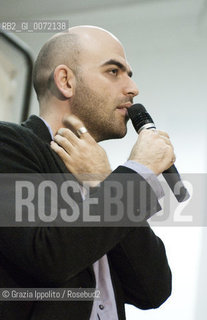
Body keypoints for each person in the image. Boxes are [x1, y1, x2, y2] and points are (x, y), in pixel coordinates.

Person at [0, 25, 175, 320]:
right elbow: (48, 257)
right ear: (66, 81)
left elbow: (153, 290)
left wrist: (106, 181)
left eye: (129, 74)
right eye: (113, 71)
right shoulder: (9, 144)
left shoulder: (103, 175)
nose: (132, 88)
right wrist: (136, 173)